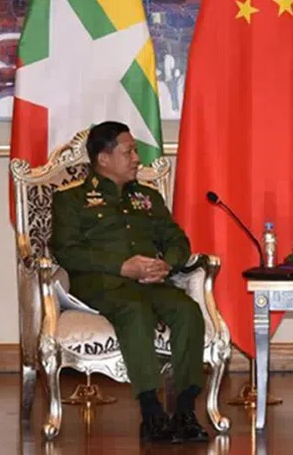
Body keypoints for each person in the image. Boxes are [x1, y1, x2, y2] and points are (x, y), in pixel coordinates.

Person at [50, 121, 208, 443]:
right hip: (102, 285)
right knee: (135, 311)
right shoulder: (71, 199)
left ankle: (185, 411)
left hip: (153, 282)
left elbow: (177, 239)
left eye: (135, 150)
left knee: (188, 311)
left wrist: (168, 263)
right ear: (104, 159)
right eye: (129, 151)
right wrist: (122, 267)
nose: (137, 158)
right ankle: (151, 414)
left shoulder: (148, 198)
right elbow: (67, 252)